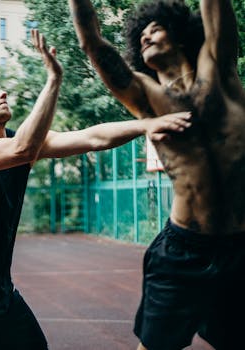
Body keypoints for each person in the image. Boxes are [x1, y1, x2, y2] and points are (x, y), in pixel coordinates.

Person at [0, 29, 192, 350]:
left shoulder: (22, 143)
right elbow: (22, 150)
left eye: (1, 89)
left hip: (0, 294)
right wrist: (53, 80)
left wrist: (147, 125)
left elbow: (93, 137)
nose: (3, 93)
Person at [67, 0, 245, 349]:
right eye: (142, 34)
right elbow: (92, 42)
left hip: (240, 247)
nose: (146, 35)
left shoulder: (220, 72)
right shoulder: (147, 98)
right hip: (184, 252)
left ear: (179, 35)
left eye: (155, 29)